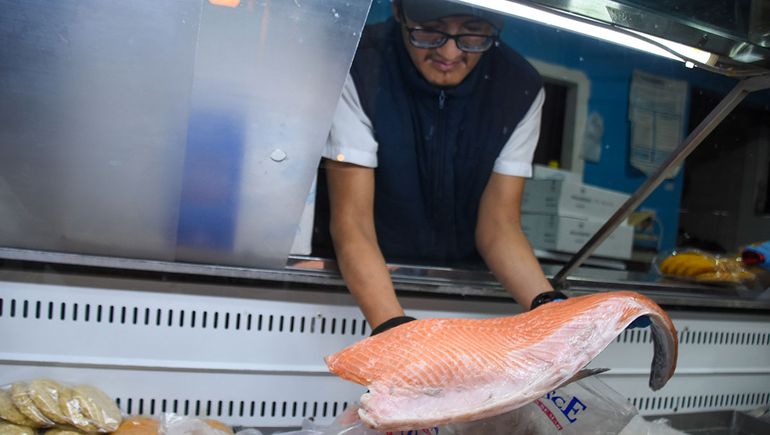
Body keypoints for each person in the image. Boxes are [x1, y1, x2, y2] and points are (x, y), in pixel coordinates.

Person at [321, 0, 564, 334]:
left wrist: (550, 309)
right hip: (356, 290)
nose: (449, 53)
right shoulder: (360, 64)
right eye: (430, 31)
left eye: (473, 34)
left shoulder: (518, 86)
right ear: (398, 10)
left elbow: (499, 224)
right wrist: (395, 330)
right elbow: (353, 222)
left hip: (462, 291)